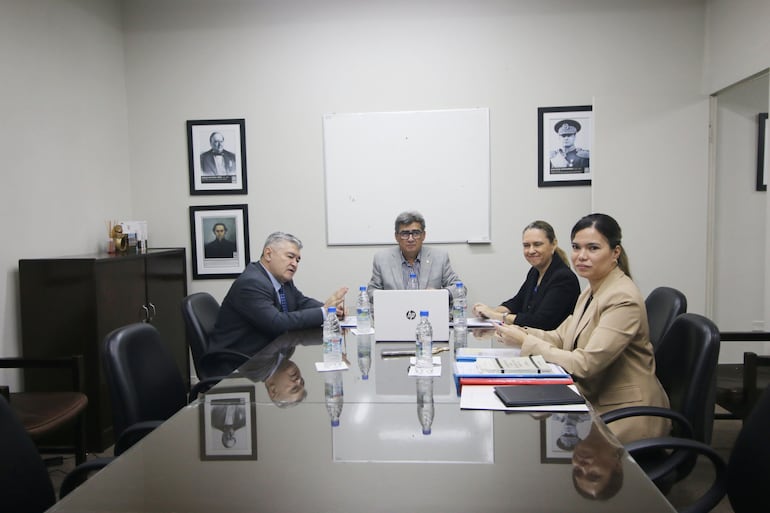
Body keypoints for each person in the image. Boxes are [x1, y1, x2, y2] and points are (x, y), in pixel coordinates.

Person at [495, 213, 669, 444]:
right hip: (595, 397)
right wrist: (520, 332)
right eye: (576, 247)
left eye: (593, 248)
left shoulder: (622, 298)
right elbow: (560, 336)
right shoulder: (591, 290)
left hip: (626, 413)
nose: (581, 256)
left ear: (615, 252)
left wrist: (525, 342)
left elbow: (586, 364)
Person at [208, 231, 348, 359]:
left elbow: (300, 301)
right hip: (238, 361)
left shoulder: (282, 280)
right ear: (268, 254)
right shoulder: (251, 283)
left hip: (268, 354)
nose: (294, 264)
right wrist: (323, 312)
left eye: (297, 260)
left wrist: (332, 310)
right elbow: (276, 323)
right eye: (290, 257)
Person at [472, 220, 579, 330]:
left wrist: (496, 316)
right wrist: (489, 312)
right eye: (526, 245)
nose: (531, 250)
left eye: (537, 244)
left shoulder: (563, 278)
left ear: (553, 244)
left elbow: (540, 322)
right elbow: (517, 302)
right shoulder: (535, 272)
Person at [367, 210, 463, 299]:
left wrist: (440, 294)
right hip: (395, 313)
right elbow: (371, 292)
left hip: (429, 313)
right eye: (405, 234)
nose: (410, 239)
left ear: (423, 235)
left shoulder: (439, 257)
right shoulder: (382, 259)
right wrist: (390, 298)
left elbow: (460, 289)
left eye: (416, 233)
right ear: (396, 237)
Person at [571, 416, 625, 500]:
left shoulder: (578, 415)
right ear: (617, 465)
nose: (582, 466)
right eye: (594, 475)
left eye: (577, 471)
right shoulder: (632, 422)